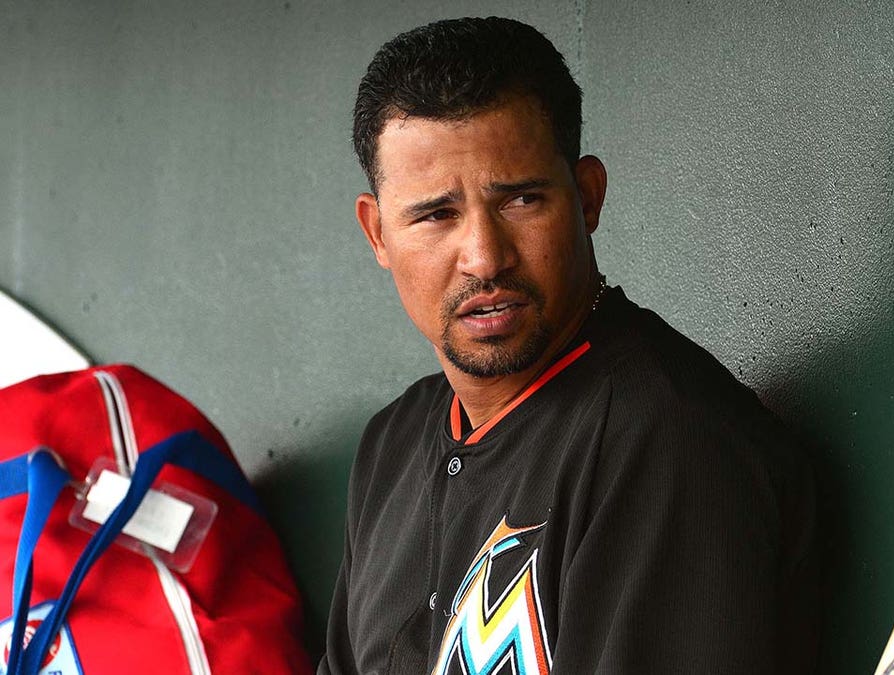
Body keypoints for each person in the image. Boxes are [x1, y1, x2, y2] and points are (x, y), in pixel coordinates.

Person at [320, 16, 816, 675]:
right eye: (436, 214)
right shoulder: (393, 441)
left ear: (586, 197)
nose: (484, 257)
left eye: (521, 199)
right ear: (378, 233)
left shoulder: (665, 438)